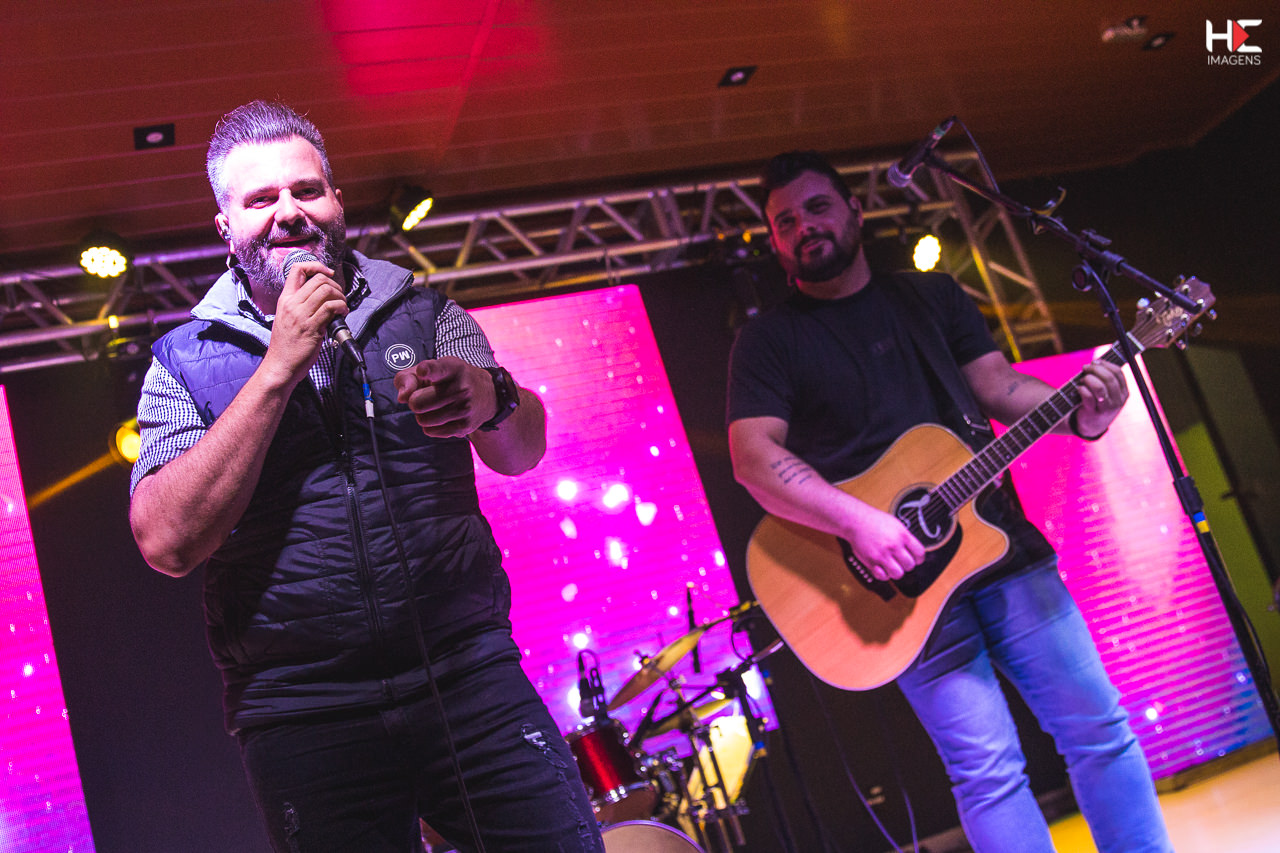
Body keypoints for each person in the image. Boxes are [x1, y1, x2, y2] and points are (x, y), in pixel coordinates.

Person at [128, 100, 604, 853]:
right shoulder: (183, 361)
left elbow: (520, 452)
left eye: (306, 190)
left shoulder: (423, 313)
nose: (289, 212)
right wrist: (278, 367)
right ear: (226, 226)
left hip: (466, 674)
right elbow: (166, 541)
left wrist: (492, 396)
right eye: (261, 200)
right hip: (302, 711)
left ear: (337, 201)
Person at [726, 151, 1174, 852]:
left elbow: (999, 387)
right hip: (895, 589)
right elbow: (753, 457)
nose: (803, 226)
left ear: (854, 210)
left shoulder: (930, 296)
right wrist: (860, 522)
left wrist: (1085, 413)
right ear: (776, 242)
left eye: (816, 207)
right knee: (987, 773)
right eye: (784, 222)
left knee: (1099, 730)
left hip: (1002, 550)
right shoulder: (770, 339)